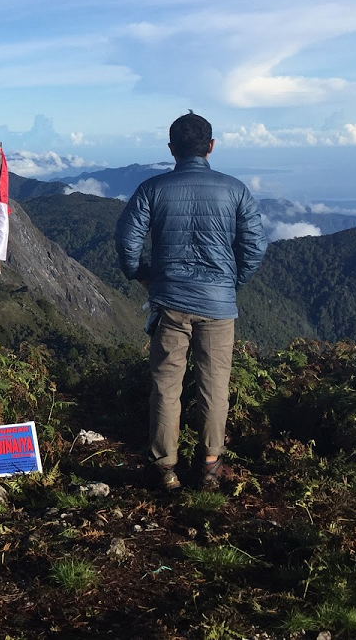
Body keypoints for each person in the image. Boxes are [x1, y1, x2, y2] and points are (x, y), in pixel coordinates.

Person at [114, 112, 267, 490]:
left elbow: (126, 238)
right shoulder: (235, 190)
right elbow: (255, 246)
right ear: (211, 146)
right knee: (215, 388)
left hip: (169, 302)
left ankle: (164, 468)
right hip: (218, 306)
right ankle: (210, 466)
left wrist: (141, 275)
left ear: (171, 149)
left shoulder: (153, 188)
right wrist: (232, 283)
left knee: (167, 386)